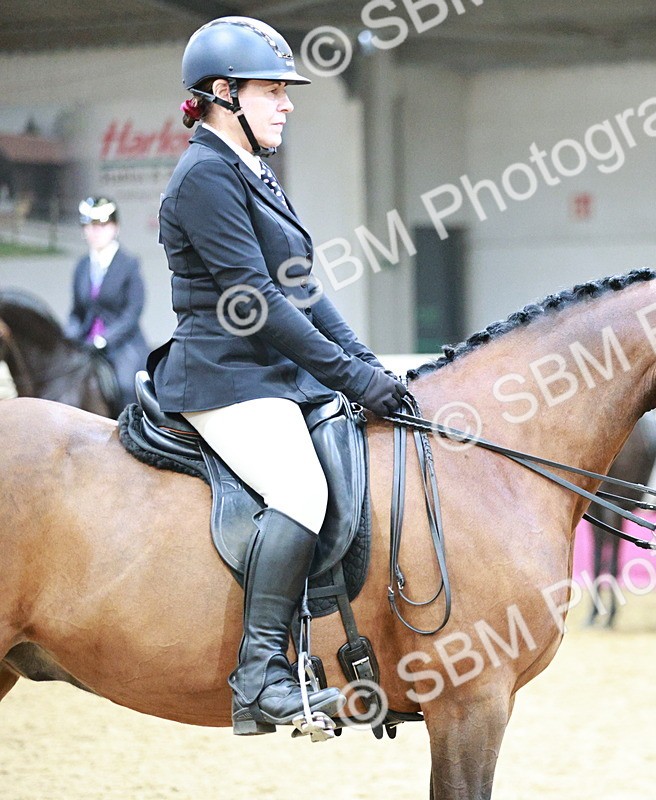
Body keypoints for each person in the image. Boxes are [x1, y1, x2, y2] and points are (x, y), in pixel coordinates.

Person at [152, 16, 408, 735]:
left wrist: (365, 364)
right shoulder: (205, 174)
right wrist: (351, 380)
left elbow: (302, 286)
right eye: (273, 91)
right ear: (223, 93)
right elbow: (255, 301)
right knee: (300, 486)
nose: (287, 103)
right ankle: (262, 675)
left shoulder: (251, 169)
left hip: (266, 372)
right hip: (222, 375)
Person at [66, 196, 150, 408]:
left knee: (125, 385)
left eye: (102, 225)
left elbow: (132, 314)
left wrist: (105, 339)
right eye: (90, 226)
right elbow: (76, 311)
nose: (95, 231)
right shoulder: (82, 266)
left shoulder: (129, 264)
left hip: (121, 344)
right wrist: (68, 335)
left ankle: (133, 428)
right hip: (85, 343)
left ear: (115, 227)